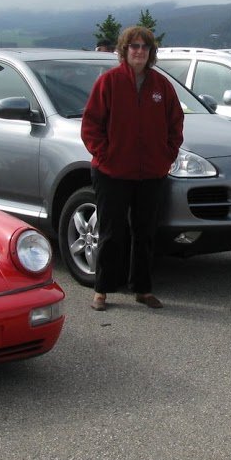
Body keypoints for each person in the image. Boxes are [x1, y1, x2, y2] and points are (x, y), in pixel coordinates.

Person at [81, 25, 185, 311]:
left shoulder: (162, 86)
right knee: (111, 233)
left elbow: (176, 124)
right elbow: (91, 125)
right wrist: (106, 155)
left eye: (145, 47)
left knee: (145, 233)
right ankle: (102, 290)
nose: (139, 51)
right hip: (111, 173)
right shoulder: (109, 82)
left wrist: (166, 156)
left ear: (151, 52)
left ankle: (142, 289)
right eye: (134, 46)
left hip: (151, 173)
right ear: (124, 51)